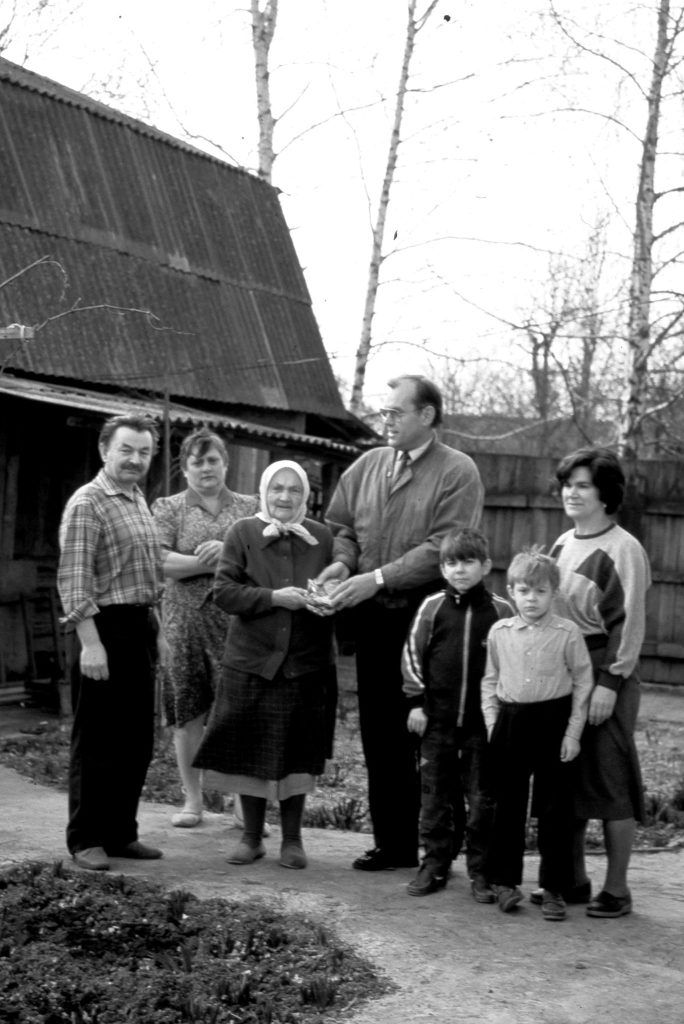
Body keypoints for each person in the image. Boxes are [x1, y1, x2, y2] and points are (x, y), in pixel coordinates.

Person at [320, 374, 484, 872]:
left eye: (396, 412)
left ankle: (442, 845)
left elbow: (444, 547)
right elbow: (341, 525)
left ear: (427, 416)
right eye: (384, 413)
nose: (385, 420)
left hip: (434, 622)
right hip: (374, 621)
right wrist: (344, 564)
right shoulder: (368, 464)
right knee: (380, 734)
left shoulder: (458, 471)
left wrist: (377, 577)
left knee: (434, 736)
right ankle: (393, 843)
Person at [193, 460, 337, 869]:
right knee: (249, 749)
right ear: (263, 492)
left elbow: (336, 587)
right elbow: (224, 592)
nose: (285, 497)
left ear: (305, 496)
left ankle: (292, 840)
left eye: (294, 490)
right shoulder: (242, 533)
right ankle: (252, 836)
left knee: (296, 753)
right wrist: (275, 598)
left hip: (305, 665)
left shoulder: (322, 538)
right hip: (251, 662)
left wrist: (328, 600)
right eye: (277, 489)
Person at [540, 447, 651, 919]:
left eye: (583, 484)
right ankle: (574, 881)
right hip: (567, 673)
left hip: (607, 673)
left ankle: (618, 889)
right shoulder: (563, 544)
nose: (572, 491)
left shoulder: (624, 548)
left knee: (610, 780)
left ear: (606, 494)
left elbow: (629, 623)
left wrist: (609, 682)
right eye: (568, 483)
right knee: (568, 780)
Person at [57, 414, 166, 871]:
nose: (135, 460)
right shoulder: (89, 502)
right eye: (126, 449)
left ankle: (121, 832)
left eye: (143, 452)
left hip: (138, 626)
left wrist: (156, 632)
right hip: (102, 630)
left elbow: (144, 575)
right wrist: (91, 643)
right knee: (97, 739)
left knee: (135, 739)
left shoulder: (138, 499)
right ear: (105, 450)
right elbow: (75, 578)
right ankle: (85, 838)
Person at [151, 428, 257, 828]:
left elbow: (261, 560)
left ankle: (244, 807)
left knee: (237, 713)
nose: (206, 467)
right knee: (188, 710)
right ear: (185, 467)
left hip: (240, 624)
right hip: (184, 624)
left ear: (225, 463)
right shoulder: (168, 507)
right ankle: (192, 802)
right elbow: (158, 560)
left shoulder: (251, 507)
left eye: (213, 459)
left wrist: (227, 555)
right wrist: (211, 562)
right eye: (197, 461)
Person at [481, 548, 593, 921]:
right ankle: (505, 883)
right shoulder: (500, 632)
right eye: (524, 590)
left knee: (555, 809)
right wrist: (494, 723)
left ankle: (554, 888)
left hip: (553, 722)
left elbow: (582, 681)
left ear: (554, 594)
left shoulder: (568, 634)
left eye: (541, 591)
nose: (532, 599)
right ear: (511, 591)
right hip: (511, 723)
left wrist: (573, 733)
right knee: (507, 806)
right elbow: (490, 680)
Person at [401, 527, 512, 899]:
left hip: (484, 727)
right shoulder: (432, 608)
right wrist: (417, 703)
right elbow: (413, 656)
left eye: (468, 561)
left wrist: (504, 716)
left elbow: (512, 664)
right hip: (437, 723)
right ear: (442, 568)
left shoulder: (502, 611)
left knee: (482, 801)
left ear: (486, 565)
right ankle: (434, 864)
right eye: (451, 562)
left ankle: (481, 871)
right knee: (434, 798)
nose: (459, 569)